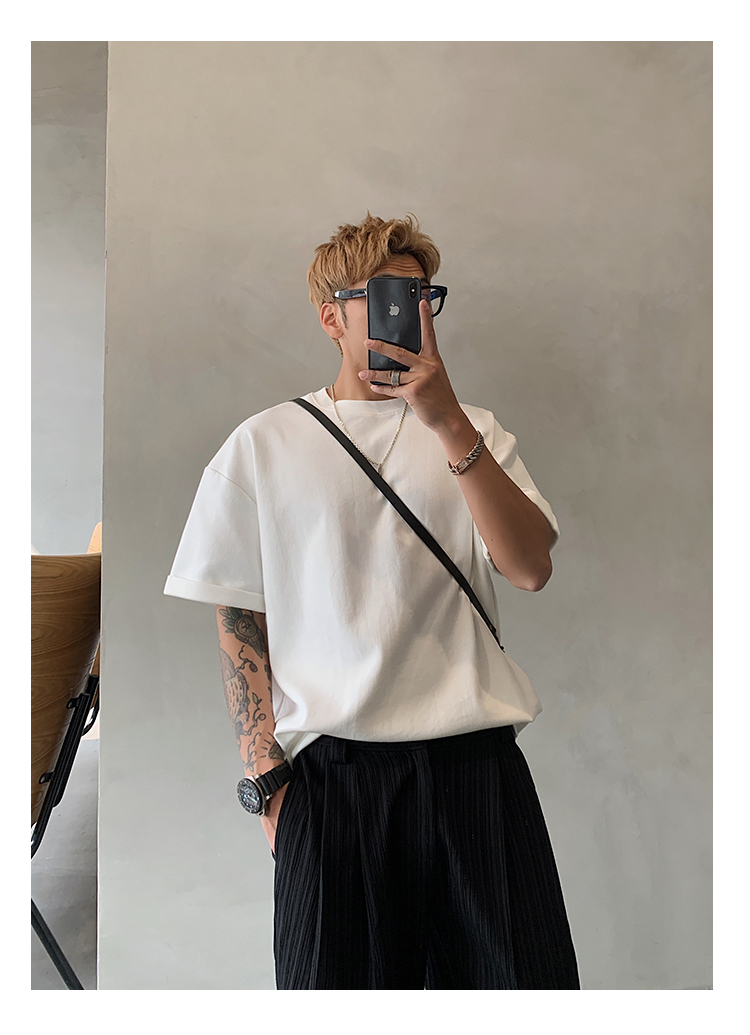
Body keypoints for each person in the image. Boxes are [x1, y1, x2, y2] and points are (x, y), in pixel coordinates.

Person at [164, 213, 580, 990]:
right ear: (332, 317)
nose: (410, 312)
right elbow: (239, 615)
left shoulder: (476, 431)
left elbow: (529, 567)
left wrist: (447, 421)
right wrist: (266, 779)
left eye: (423, 296)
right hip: (333, 784)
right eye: (388, 297)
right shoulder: (263, 444)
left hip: (476, 770)